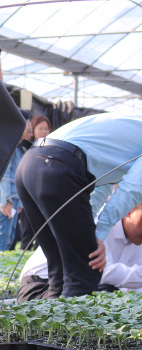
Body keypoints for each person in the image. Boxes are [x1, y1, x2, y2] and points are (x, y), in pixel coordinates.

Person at [16, 112, 142, 299]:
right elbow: (131, 189)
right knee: (85, 271)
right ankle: (68, 328)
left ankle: (52, 326)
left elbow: (102, 184)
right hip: (58, 166)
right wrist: (98, 234)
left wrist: (90, 231)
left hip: (32, 164)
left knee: (60, 270)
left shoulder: (131, 128)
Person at [17, 203, 142, 301]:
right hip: (40, 286)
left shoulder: (137, 239)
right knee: (106, 294)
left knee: (109, 295)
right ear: (129, 212)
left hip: (78, 287)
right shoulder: (101, 221)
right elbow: (102, 272)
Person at [12, 114, 53, 251]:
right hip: (27, 196)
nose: (44, 132)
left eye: (46, 129)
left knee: (44, 234)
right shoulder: (25, 148)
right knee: (27, 234)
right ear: (33, 129)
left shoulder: (52, 148)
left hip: (44, 195)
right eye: (40, 128)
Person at [0, 112, 32, 252]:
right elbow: (4, 173)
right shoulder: (9, 144)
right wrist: (6, 200)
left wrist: (18, 201)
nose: (30, 126)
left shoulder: (18, 145)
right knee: (3, 235)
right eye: (28, 122)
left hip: (14, 197)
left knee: (9, 236)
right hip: (7, 197)